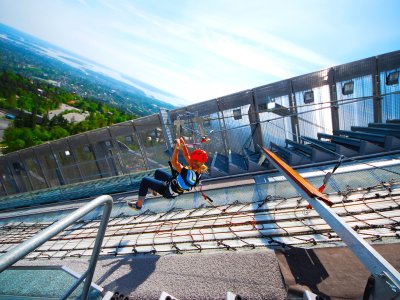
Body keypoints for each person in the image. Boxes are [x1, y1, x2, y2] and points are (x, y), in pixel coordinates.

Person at [127, 137, 208, 210]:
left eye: (192, 160)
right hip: (174, 182)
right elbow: (186, 155)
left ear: (195, 162)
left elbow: (174, 162)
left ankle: (138, 205)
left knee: (145, 181)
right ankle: (154, 190)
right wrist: (182, 143)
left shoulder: (189, 174)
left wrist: (177, 148)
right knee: (158, 172)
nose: (190, 160)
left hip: (168, 191)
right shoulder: (197, 168)